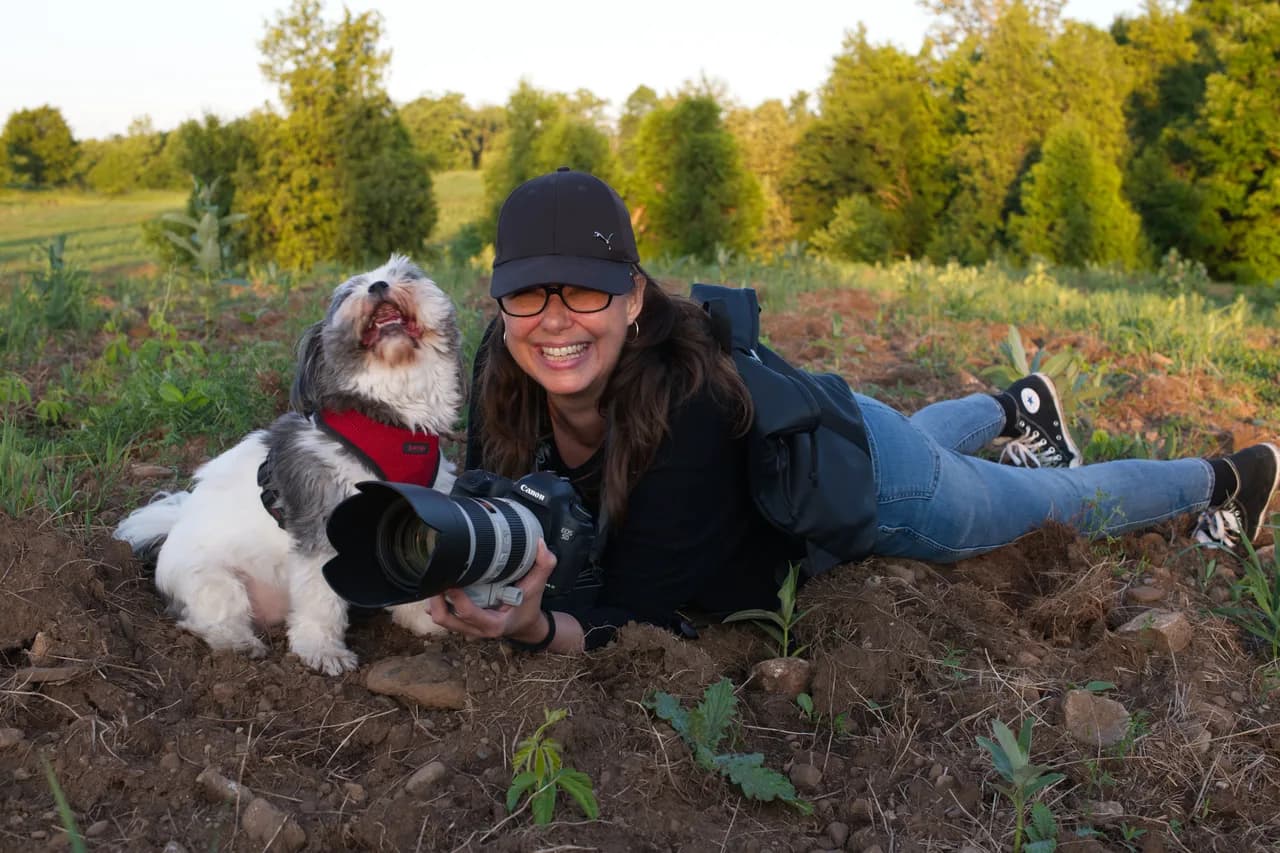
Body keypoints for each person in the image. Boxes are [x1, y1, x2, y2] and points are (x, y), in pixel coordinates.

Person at [422, 167, 1280, 655]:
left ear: (634, 296)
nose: (555, 319)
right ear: (500, 302)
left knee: (1043, 504)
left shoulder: (680, 404)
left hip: (873, 482)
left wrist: (533, 626)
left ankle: (1228, 478)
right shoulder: (503, 363)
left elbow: (648, 616)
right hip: (816, 427)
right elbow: (488, 496)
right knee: (916, 431)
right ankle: (1013, 405)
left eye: (585, 290)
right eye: (528, 295)